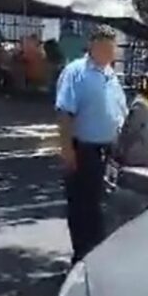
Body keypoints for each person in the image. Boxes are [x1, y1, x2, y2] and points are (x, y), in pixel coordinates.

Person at [55, 25, 128, 264]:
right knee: (82, 207)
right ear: (92, 45)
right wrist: (67, 150)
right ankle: (81, 257)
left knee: (101, 207)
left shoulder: (110, 74)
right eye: (104, 46)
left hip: (108, 151)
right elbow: (64, 112)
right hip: (84, 149)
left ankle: (96, 256)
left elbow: (120, 111)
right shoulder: (76, 72)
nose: (109, 52)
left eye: (111, 47)